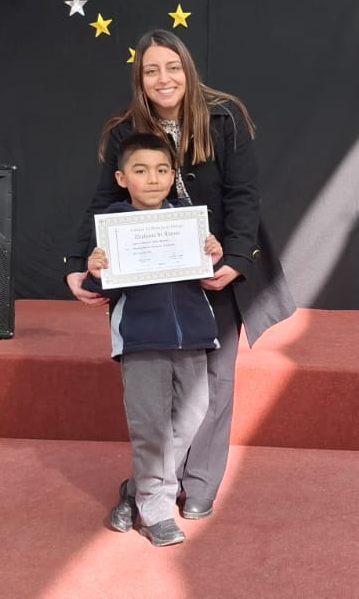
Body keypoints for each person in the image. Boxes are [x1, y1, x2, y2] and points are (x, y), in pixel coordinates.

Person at [67, 29, 296, 522]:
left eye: (172, 67)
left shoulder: (225, 117)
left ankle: (196, 484)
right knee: (157, 394)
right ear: (140, 78)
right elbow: (103, 201)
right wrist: (77, 263)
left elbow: (243, 195)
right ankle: (153, 489)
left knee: (214, 381)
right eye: (151, 70)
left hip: (217, 267)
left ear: (187, 70)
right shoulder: (124, 130)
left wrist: (236, 258)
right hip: (153, 279)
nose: (163, 79)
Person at [87, 132, 223, 547]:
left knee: (193, 416)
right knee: (151, 428)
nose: (153, 179)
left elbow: (206, 273)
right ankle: (156, 512)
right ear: (122, 178)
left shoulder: (188, 220)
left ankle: (136, 490)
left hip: (193, 337)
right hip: (141, 341)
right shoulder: (113, 224)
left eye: (162, 170)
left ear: (173, 175)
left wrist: (212, 253)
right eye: (141, 170)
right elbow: (101, 289)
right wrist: (96, 270)